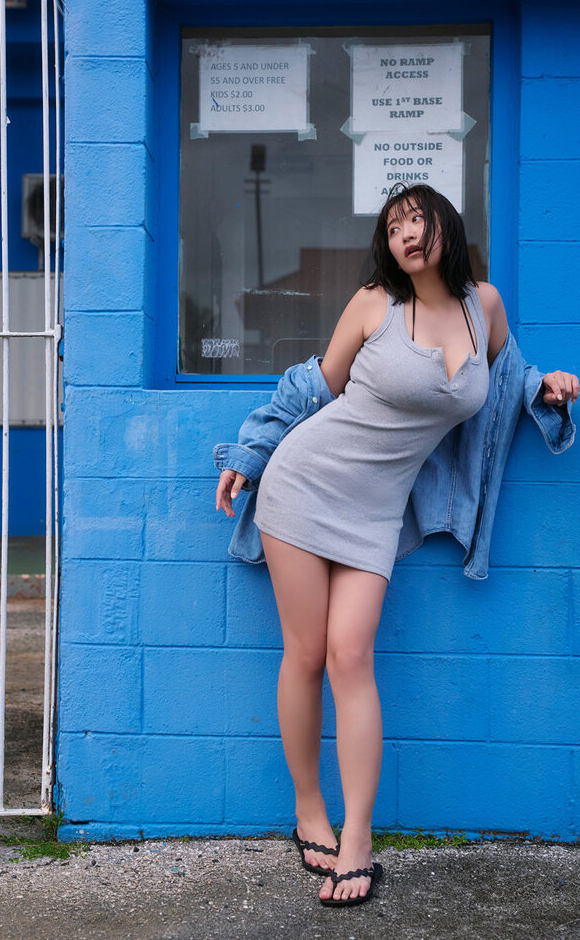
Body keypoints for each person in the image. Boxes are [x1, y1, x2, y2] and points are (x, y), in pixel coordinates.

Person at [214, 183, 579, 909]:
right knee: (307, 654)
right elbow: (314, 388)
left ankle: (358, 840)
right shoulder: (374, 305)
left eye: (417, 219)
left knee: (352, 658)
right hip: (304, 485)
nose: (407, 233)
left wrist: (547, 388)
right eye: (393, 227)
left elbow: (506, 376)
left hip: (376, 512)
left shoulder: (484, 305)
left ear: (446, 225)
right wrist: (252, 454)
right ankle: (309, 811)